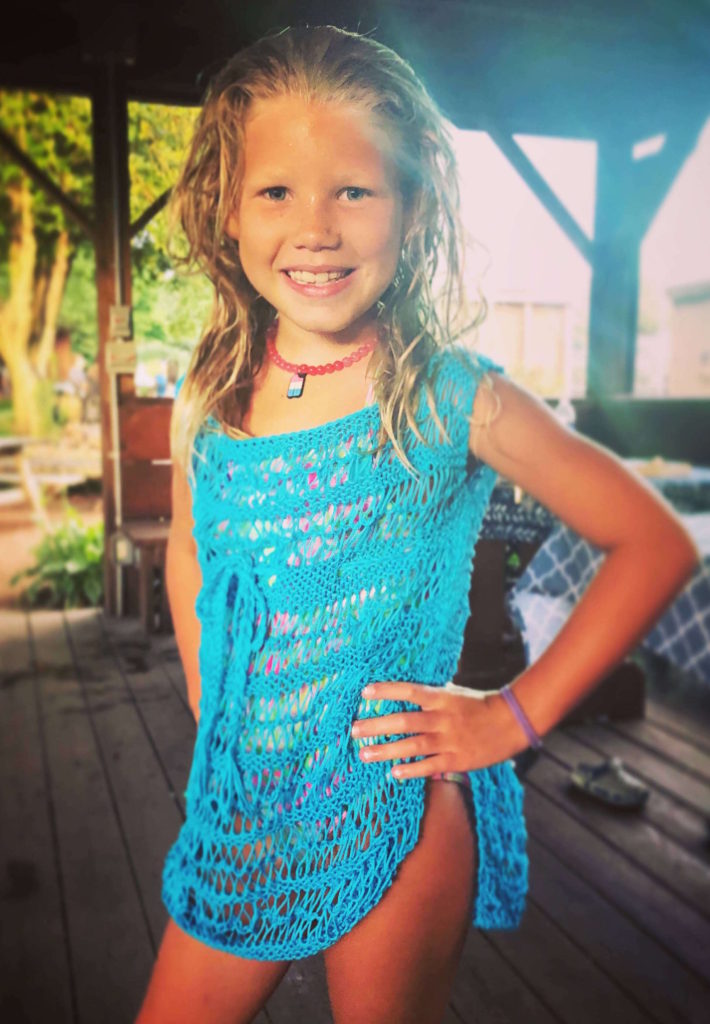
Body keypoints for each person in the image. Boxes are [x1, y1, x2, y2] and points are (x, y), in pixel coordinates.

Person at [135, 25, 700, 1024]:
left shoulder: (449, 396)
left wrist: (509, 715)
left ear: (412, 209)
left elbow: (655, 541)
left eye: (353, 190)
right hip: (248, 811)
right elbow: (189, 546)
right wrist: (209, 703)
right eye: (275, 192)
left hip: (390, 810)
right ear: (227, 212)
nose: (314, 227)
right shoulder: (215, 383)